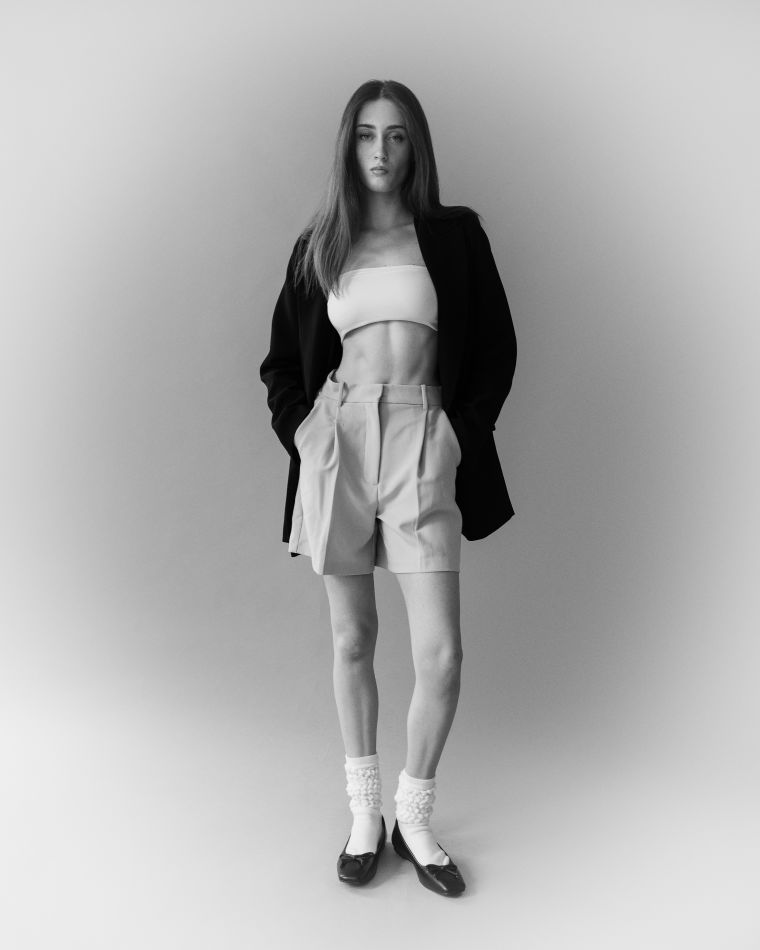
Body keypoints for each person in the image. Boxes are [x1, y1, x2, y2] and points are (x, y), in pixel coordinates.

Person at [259, 79, 516, 897]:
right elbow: (280, 365)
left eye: (397, 135)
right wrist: (305, 432)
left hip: (423, 438)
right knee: (353, 640)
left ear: (415, 147)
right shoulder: (321, 245)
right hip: (340, 438)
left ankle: (414, 814)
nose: (380, 149)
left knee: (441, 655)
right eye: (367, 134)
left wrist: (456, 435)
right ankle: (364, 814)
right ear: (349, 145)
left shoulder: (455, 236)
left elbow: (499, 350)